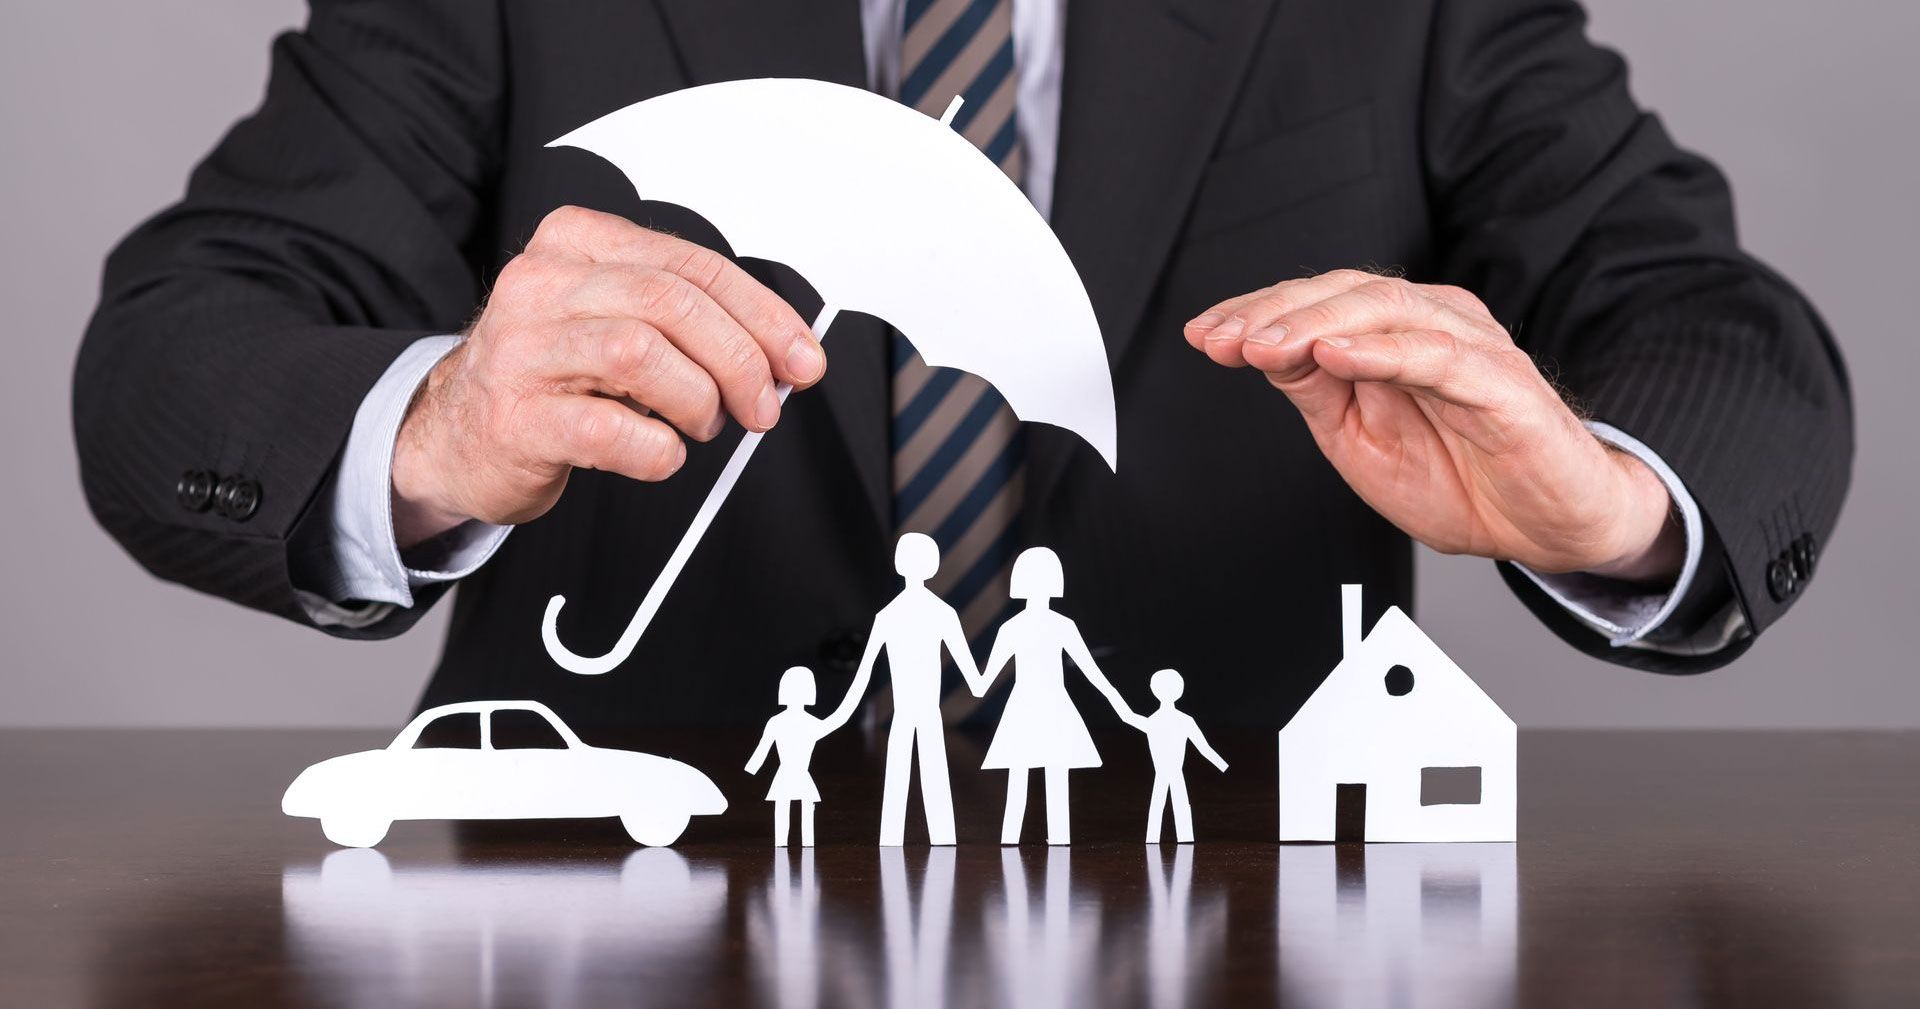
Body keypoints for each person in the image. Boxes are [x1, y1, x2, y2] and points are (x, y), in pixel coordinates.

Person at [75, 0, 1852, 730]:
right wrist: (430, 434)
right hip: (604, 914)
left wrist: (1616, 501)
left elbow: (1716, 332)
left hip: (1238, 912)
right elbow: (179, 348)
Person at [975, 548, 1136, 845]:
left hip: (1035, 708)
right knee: (1046, 777)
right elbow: (1093, 673)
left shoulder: (1016, 628)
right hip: (1042, 707)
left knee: (1025, 777)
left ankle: (1017, 838)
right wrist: (1122, 707)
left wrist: (1124, 709)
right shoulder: (1056, 626)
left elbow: (980, 685)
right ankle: (1039, 837)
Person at [843, 533, 981, 846]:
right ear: (933, 566)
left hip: (906, 715)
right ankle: (940, 836)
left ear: (898, 564)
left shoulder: (888, 615)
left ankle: (896, 836)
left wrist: (835, 718)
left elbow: (862, 677)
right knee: (933, 774)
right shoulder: (942, 613)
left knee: (898, 776)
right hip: (921, 714)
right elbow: (975, 678)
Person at [744, 665, 862, 847]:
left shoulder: (783, 722)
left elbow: (762, 749)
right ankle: (795, 842)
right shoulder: (804, 723)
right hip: (789, 775)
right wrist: (857, 689)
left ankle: (800, 842)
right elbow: (839, 718)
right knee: (794, 809)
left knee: (795, 809)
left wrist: (752, 769)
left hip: (792, 775)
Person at [1130, 670, 1229, 845]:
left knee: (1162, 806)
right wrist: (1222, 766)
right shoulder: (1180, 720)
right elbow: (1204, 748)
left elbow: (1126, 716)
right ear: (1180, 689)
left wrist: (1223, 766)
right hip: (1170, 772)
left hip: (1169, 772)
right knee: (1176, 805)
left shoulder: (1154, 721)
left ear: (1153, 689)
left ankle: (1165, 838)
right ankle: (1177, 837)